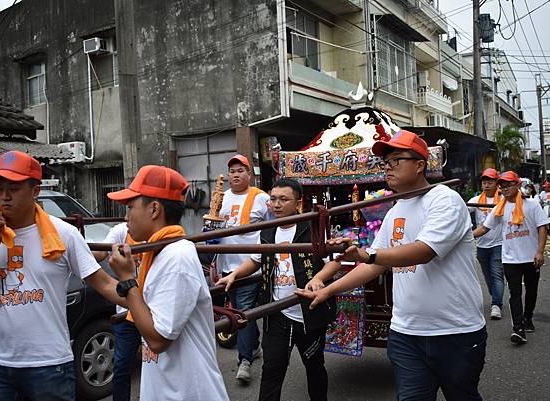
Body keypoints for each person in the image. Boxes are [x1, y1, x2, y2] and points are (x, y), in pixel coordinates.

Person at [297, 130, 487, 401]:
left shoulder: (444, 199)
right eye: (385, 162)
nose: (387, 167)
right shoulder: (395, 211)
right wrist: (329, 289)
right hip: (406, 333)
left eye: (395, 160)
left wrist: (369, 256)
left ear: (419, 165)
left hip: (455, 331)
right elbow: (373, 265)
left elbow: (423, 252)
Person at [0, 151, 126, 401]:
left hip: (50, 365)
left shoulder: (63, 235)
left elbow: (104, 283)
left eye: (13, 188)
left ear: (35, 191)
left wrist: (142, 303)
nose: (4, 196)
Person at [106, 165, 229, 401]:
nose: (125, 216)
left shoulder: (176, 257)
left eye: (130, 207)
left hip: (188, 393)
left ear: (154, 209)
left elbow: (157, 340)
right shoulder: (160, 252)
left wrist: (126, 279)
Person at [216, 179, 335, 401]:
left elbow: (335, 260)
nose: (276, 204)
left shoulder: (314, 227)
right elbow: (256, 259)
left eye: (283, 199)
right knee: (271, 371)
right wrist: (234, 275)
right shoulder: (268, 231)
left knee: (315, 368)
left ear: (297, 203)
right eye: (273, 199)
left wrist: (319, 278)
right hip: (278, 314)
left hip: (309, 312)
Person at [473, 171, 549, 345]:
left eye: (508, 185)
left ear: (517, 185)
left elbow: (542, 227)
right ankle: (518, 328)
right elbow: (484, 228)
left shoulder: (532, 205)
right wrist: (466, 237)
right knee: (515, 293)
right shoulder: (500, 208)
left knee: (531, 291)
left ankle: (528, 317)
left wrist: (540, 251)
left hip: (531, 258)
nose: (505, 188)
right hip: (510, 259)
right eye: (502, 185)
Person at [216, 154, 270, 382]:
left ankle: (244, 361)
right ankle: (254, 347)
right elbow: (212, 226)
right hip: (226, 267)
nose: (235, 175)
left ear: (250, 174)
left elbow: (274, 227)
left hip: (250, 266)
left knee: (243, 311)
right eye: (232, 171)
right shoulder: (221, 198)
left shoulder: (262, 198)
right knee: (239, 309)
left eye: (240, 170)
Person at [93, 223, 141, 401]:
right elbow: (101, 252)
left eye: (132, 206)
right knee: (121, 366)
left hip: (154, 310)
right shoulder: (121, 230)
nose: (128, 216)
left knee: (158, 364)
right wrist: (77, 253)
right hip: (127, 312)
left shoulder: (163, 235)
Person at [468, 168, 504, 320]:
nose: (486, 185)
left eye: (490, 182)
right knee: (487, 276)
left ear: (497, 184)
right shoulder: (476, 201)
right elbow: (460, 211)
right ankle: (496, 294)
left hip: (499, 244)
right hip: (482, 245)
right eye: (484, 182)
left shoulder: (503, 200)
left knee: (496, 274)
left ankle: (496, 305)